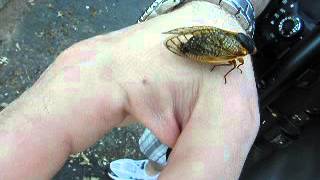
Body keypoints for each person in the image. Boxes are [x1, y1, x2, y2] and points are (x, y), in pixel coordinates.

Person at [0, 1, 268, 179]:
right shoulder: (236, 54)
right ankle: (151, 169)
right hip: (215, 44)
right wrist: (221, 8)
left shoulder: (237, 54)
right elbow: (223, 62)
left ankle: (152, 170)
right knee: (169, 139)